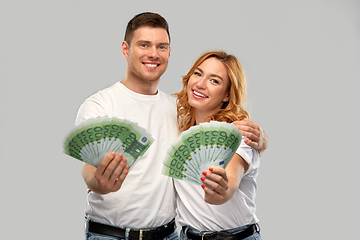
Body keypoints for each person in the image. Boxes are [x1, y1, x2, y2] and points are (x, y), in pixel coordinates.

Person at [75, 12, 267, 240]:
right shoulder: (100, 105)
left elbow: (232, 177)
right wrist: (99, 182)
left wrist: (260, 142)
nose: (153, 54)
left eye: (162, 46)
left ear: (169, 52)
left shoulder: (178, 111)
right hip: (112, 235)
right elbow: (89, 169)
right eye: (144, 45)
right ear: (126, 49)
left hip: (170, 235)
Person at [173, 51, 264, 240]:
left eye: (214, 81)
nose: (200, 84)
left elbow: (229, 184)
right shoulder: (178, 134)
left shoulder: (238, 136)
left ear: (226, 95)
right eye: (198, 74)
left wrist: (218, 190)